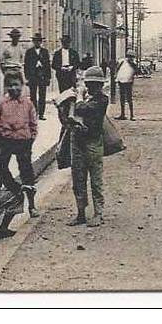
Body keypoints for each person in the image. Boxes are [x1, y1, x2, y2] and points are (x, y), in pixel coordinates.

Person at [60, 66, 108, 228]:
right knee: (78, 179)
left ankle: (98, 213)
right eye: (89, 83)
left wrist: (79, 96)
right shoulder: (86, 97)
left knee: (95, 180)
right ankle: (81, 213)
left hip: (93, 142)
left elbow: (81, 109)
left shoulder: (102, 99)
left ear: (100, 85)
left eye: (95, 84)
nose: (92, 86)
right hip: (78, 141)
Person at [0, 70, 39, 218]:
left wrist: (30, 139)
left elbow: (33, 123)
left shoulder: (28, 103)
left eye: (16, 85)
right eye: (9, 85)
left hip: (23, 142)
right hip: (6, 142)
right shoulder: (2, 103)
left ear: (22, 85)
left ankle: (32, 206)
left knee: (27, 172)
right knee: (0, 170)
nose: (13, 88)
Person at [23, 32, 52, 121]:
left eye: (39, 41)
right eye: (35, 41)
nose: (37, 42)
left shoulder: (45, 52)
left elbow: (48, 65)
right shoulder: (29, 52)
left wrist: (48, 78)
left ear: (41, 42)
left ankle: (41, 114)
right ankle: (34, 113)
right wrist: (27, 77)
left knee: (42, 96)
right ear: (33, 42)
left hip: (42, 76)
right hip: (33, 76)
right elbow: (26, 65)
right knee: (33, 96)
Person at [114, 50, 139, 121]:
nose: (130, 58)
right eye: (129, 56)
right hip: (121, 81)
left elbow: (137, 72)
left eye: (132, 57)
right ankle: (123, 114)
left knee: (129, 98)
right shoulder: (122, 61)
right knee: (122, 98)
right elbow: (117, 68)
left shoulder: (133, 64)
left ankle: (131, 115)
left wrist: (133, 65)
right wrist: (116, 76)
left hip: (129, 81)